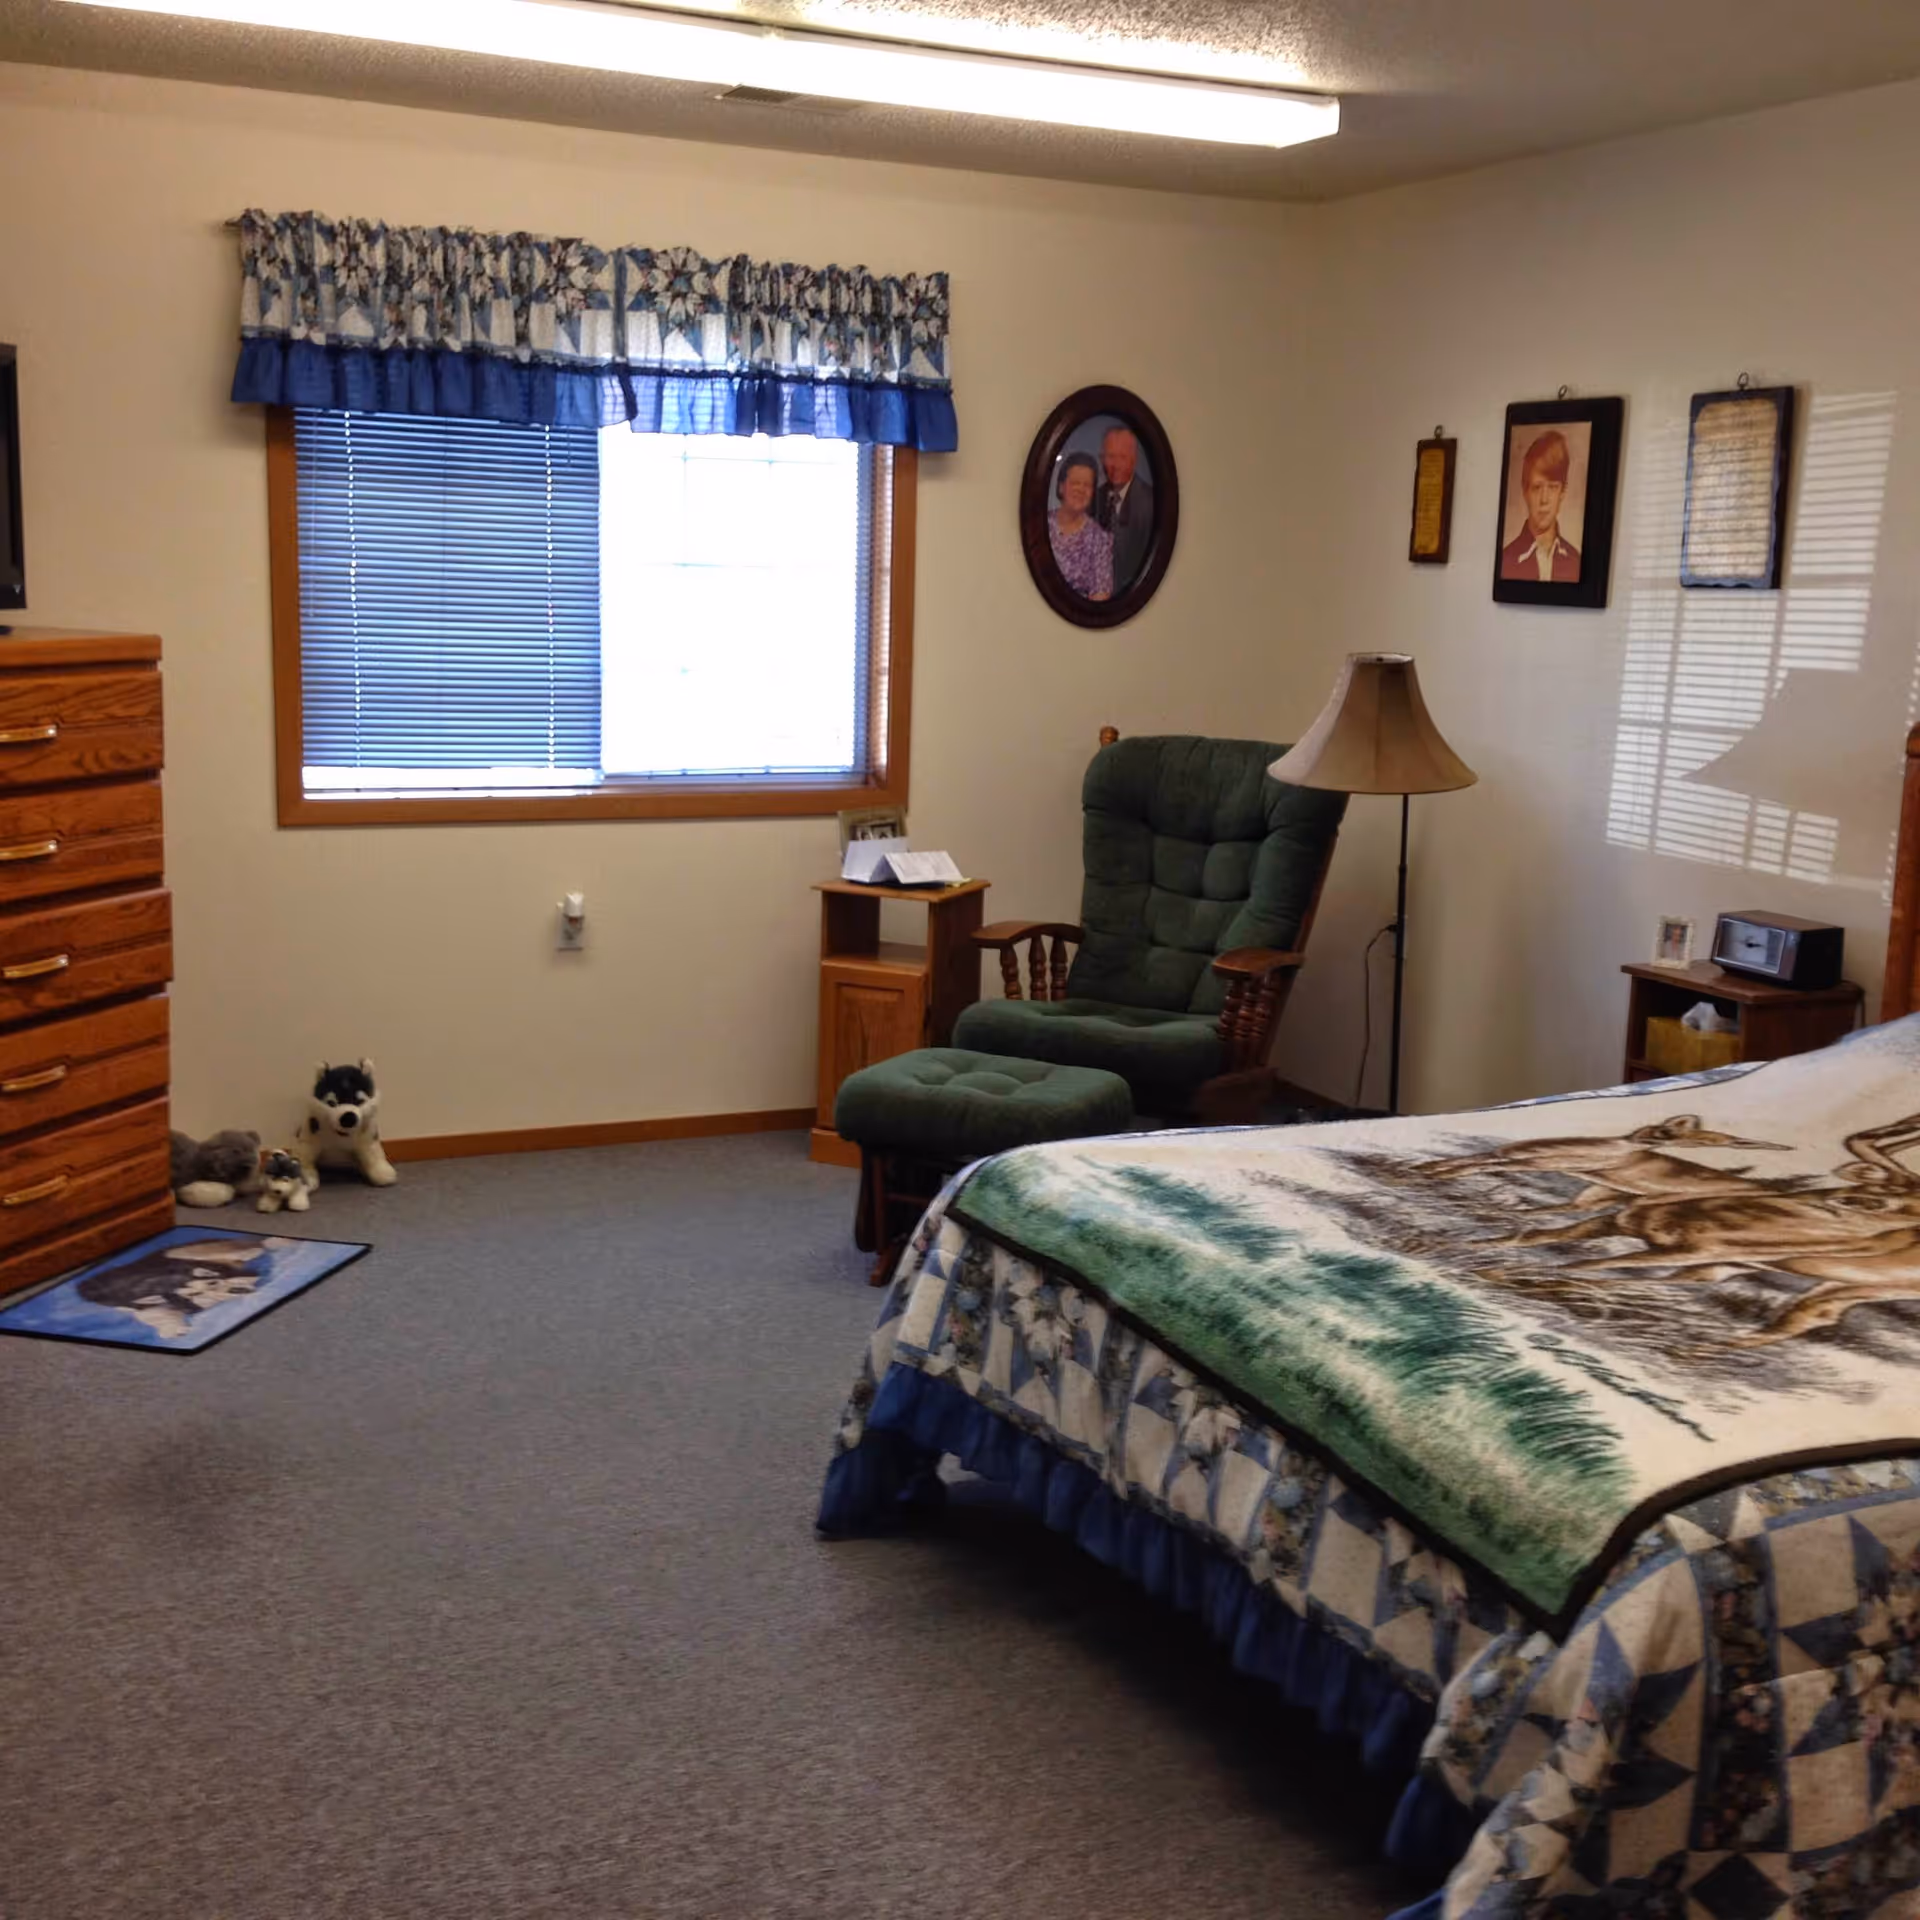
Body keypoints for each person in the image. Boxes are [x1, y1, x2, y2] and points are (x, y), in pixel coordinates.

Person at [1499, 429, 1581, 582]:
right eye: (1537, 487)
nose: (1544, 500)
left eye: (1553, 487)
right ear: (1525, 491)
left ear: (1563, 492)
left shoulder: (1576, 562)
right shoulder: (1505, 560)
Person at [1094, 426, 1155, 588]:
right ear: (1101, 459)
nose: (1116, 465)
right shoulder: (1094, 498)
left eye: (1122, 457)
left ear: (1134, 460)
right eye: (1111, 457)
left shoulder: (1150, 503)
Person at [1048, 452, 1113, 601]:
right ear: (1061, 487)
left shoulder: (1100, 539)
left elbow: (1100, 596)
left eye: (1087, 485)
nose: (1081, 490)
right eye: (1075, 483)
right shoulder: (1041, 524)